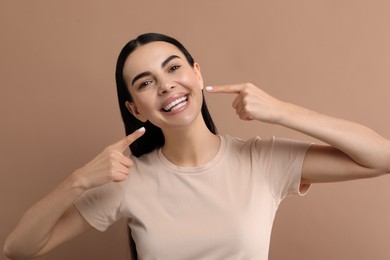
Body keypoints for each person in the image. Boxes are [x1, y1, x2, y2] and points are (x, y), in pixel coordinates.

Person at [3, 32, 390, 260]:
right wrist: (78, 180)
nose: (166, 85)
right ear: (135, 108)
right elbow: (16, 250)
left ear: (196, 72)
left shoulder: (261, 160)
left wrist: (281, 111)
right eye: (145, 82)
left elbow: (382, 157)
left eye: (173, 68)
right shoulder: (125, 179)